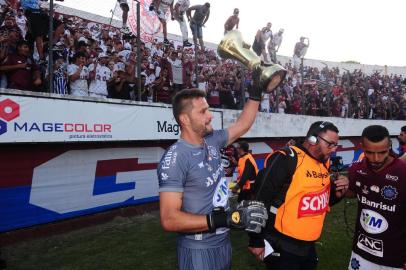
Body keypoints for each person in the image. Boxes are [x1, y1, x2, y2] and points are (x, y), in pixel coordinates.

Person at [157, 67, 270, 270]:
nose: (210, 116)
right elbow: (169, 219)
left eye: (208, 109)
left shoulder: (212, 140)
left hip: (222, 243)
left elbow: (243, 124)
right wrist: (225, 219)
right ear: (184, 119)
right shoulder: (175, 158)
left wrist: (255, 93)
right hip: (197, 249)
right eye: (203, 111)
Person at [249, 121, 349, 270]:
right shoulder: (287, 158)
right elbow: (259, 197)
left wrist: (338, 194)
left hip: (308, 245)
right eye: (330, 144)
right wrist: (255, 240)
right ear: (312, 139)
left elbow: (320, 203)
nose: (333, 150)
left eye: (336, 145)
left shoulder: (323, 163)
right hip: (283, 245)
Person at [345, 125, 406, 270]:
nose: (376, 158)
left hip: (395, 257)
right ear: (362, 147)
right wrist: (340, 186)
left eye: (382, 152)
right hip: (361, 250)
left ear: (390, 146)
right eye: (370, 152)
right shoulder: (356, 169)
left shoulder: (403, 173)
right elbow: (352, 192)